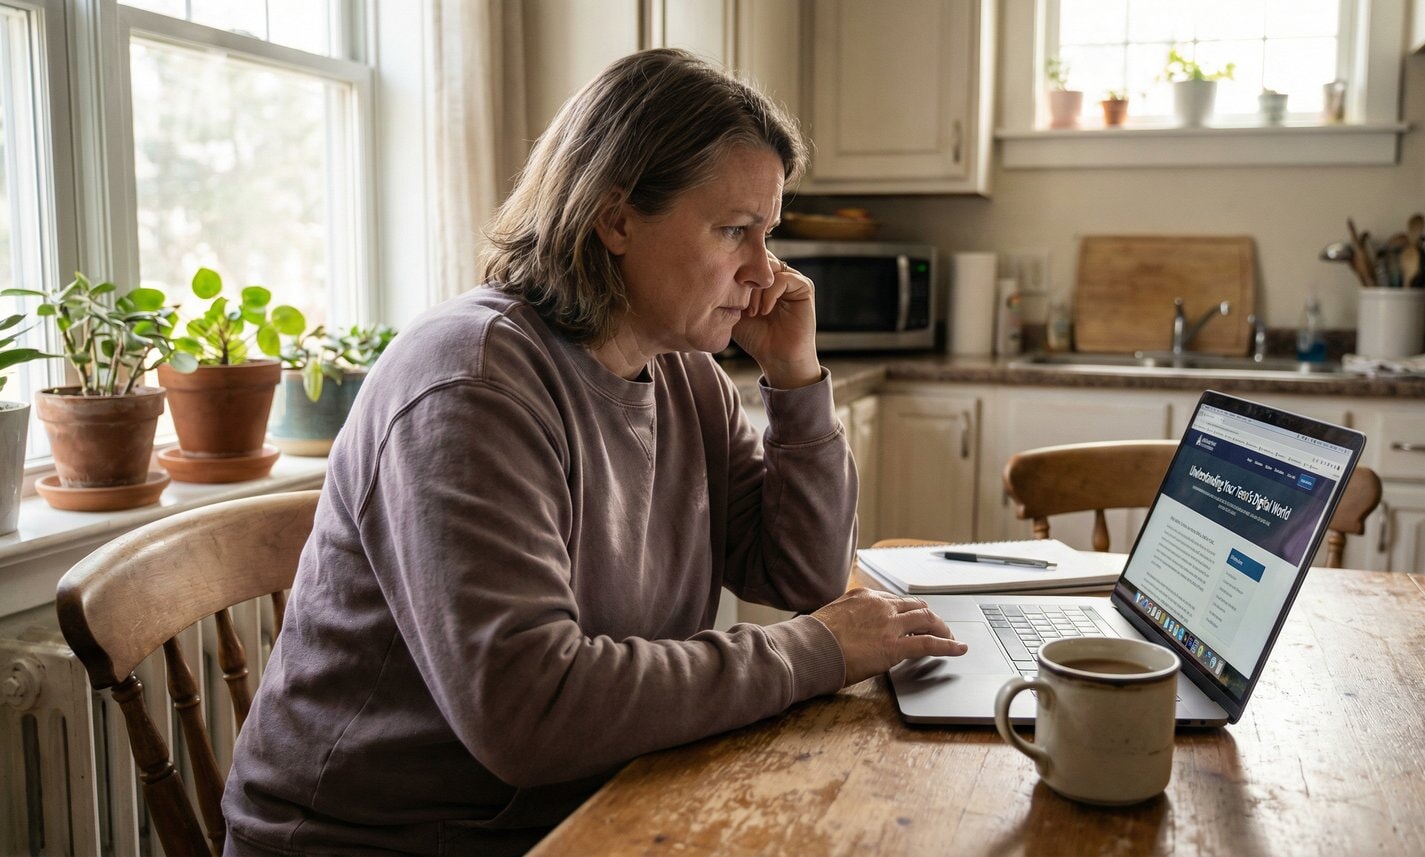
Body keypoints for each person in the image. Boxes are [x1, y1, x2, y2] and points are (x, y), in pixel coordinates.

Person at [222, 48, 966, 856]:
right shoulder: (471, 382)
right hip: (387, 840)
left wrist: (794, 378)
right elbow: (531, 712)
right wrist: (817, 648)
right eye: (733, 231)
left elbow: (801, 576)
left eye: (769, 233)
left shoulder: (685, 372)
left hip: (588, 797)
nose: (767, 272)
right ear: (615, 219)